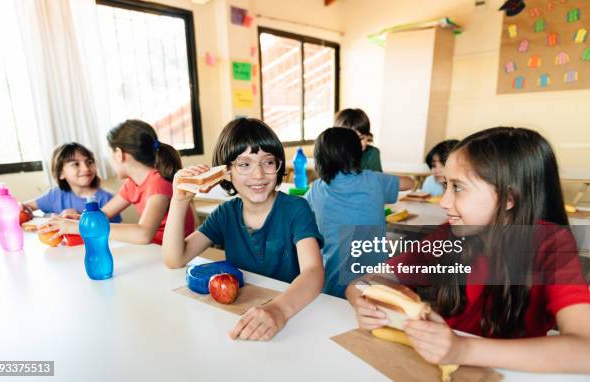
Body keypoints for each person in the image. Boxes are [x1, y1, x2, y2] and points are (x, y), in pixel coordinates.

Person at [346, 127, 590, 373]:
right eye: (445, 186)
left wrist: (463, 349)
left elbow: (585, 349)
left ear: (508, 198)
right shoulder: (448, 235)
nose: (444, 202)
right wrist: (364, 302)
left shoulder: (550, 244)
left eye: (458, 188)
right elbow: (363, 282)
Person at [162, 117, 324, 341]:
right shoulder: (225, 214)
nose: (258, 175)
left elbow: (313, 271)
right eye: (244, 164)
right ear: (226, 172)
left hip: (293, 314)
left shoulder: (296, 209)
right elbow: (175, 258)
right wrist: (179, 201)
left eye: (268, 162)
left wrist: (278, 310)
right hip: (239, 317)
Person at [40, 120, 194, 244]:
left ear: (119, 154)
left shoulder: (158, 183)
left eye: (110, 154)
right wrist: (78, 219)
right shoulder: (131, 184)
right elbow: (103, 215)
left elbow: (144, 234)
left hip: (169, 254)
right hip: (152, 250)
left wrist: (78, 227)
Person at [305, 127, 413, 298]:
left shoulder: (315, 190)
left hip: (332, 285)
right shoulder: (374, 180)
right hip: (375, 285)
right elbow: (410, 183)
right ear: (357, 154)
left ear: (319, 159)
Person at [22, 142, 121, 222]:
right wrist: (56, 217)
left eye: (89, 162)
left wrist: (78, 219)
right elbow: (23, 207)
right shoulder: (55, 195)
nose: (86, 168)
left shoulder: (107, 199)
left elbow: (114, 232)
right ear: (61, 173)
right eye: (76, 164)